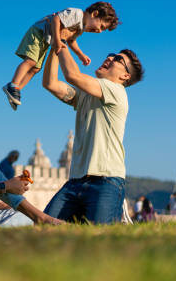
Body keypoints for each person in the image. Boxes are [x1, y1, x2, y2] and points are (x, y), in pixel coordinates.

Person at [42, 46, 144, 224]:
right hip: (75, 182)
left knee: (99, 241)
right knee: (44, 227)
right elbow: (50, 83)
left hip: (106, 181)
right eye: (110, 55)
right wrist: (53, 47)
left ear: (125, 76)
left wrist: (62, 39)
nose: (110, 58)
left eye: (118, 59)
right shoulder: (86, 94)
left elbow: (72, 75)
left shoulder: (117, 91)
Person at [2, 2, 119, 110]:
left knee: (36, 69)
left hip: (46, 39)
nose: (99, 31)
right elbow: (56, 19)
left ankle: (16, 92)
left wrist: (80, 54)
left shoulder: (81, 28)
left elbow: (71, 40)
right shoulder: (77, 14)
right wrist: (58, 40)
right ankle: (13, 85)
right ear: (94, 14)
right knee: (31, 62)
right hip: (39, 32)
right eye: (102, 26)